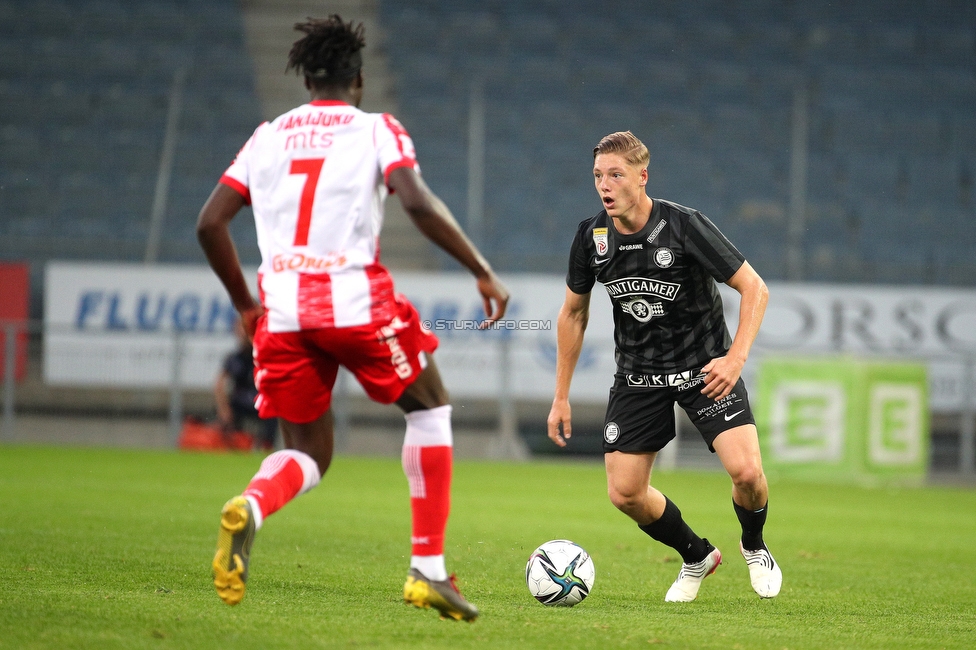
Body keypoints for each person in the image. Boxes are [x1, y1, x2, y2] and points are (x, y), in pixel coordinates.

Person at [196, 15, 508, 621]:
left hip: (283, 313)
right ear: (359, 79)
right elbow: (415, 200)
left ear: (307, 78)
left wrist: (245, 305)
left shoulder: (266, 137)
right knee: (430, 407)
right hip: (352, 301)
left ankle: (252, 505)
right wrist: (479, 268)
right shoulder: (375, 129)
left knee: (309, 451)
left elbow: (210, 223)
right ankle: (429, 570)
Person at [546, 131, 781, 602]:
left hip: (704, 369)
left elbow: (755, 288)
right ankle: (696, 554)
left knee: (749, 475)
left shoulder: (684, 226)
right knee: (626, 494)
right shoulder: (591, 237)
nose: (604, 185)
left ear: (642, 176)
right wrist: (561, 396)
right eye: (598, 176)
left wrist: (734, 359)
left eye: (615, 174)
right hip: (639, 375)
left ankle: (754, 545)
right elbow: (573, 313)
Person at [214, 318, 278, 452]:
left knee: (273, 413)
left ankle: (266, 446)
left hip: (260, 401)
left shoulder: (265, 355)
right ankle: (233, 447)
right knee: (227, 415)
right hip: (240, 402)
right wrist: (224, 409)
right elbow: (219, 384)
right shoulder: (234, 358)